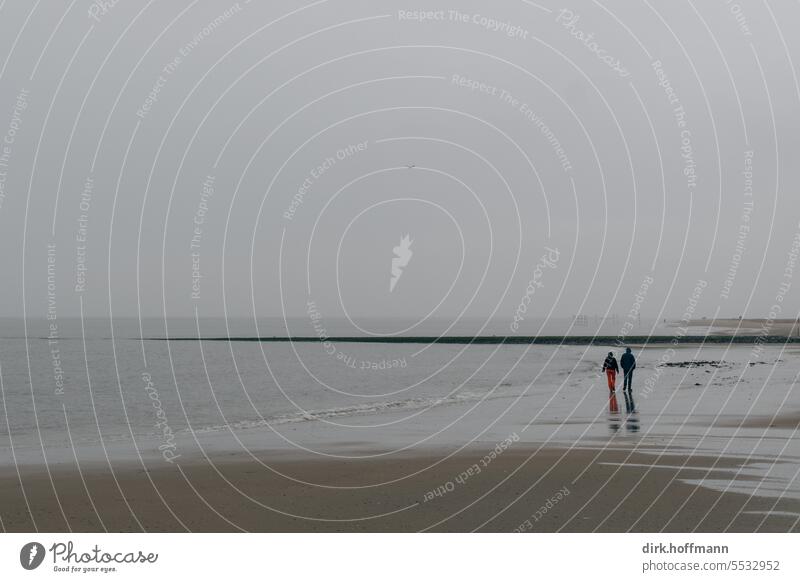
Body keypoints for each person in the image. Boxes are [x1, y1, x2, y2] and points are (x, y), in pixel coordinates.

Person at [620, 347, 636, 412]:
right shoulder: (631, 355)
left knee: (625, 378)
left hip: (625, 369)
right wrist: (633, 368)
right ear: (630, 351)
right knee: (630, 379)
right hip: (630, 369)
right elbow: (634, 363)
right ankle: (629, 388)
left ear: (626, 350)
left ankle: (624, 387)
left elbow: (621, 362)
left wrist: (623, 367)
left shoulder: (623, 355)